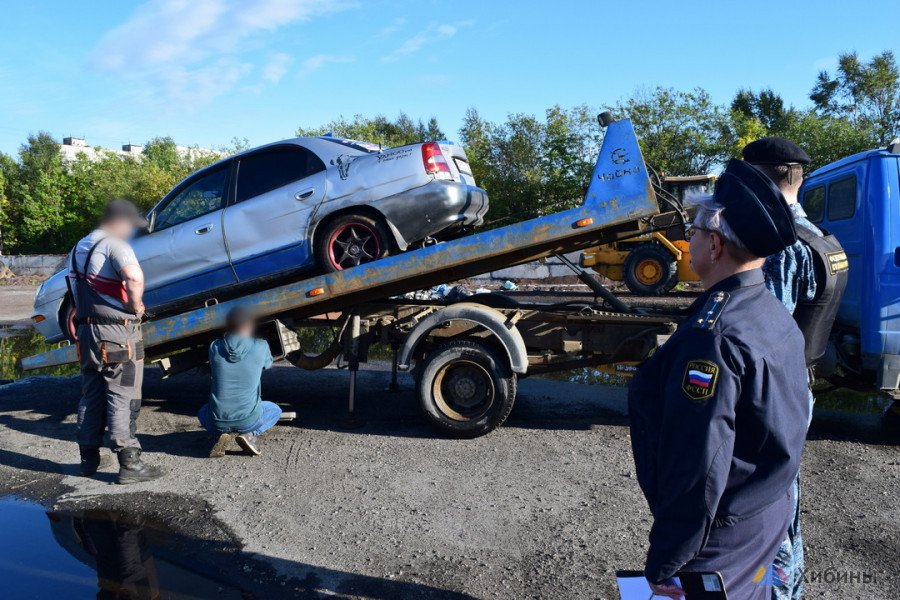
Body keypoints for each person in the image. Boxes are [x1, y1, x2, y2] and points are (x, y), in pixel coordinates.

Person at [628, 159, 811, 600]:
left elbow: (699, 464)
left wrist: (668, 558)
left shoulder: (715, 337)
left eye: (691, 231)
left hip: (720, 536)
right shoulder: (768, 310)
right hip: (766, 513)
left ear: (713, 244)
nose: (686, 239)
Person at [743, 137, 849, 600]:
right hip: (799, 386)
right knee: (787, 494)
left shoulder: (781, 244)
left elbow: (765, 336)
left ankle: (775, 591)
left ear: (758, 179)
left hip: (773, 397)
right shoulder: (823, 238)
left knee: (763, 506)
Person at [69, 199, 164, 485]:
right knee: (122, 394)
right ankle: (129, 463)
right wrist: (137, 306)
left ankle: (88, 461)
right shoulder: (115, 245)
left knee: (92, 392)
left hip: (87, 333)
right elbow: (133, 277)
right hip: (117, 333)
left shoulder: (78, 248)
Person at [198, 306, 281, 457]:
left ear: (227, 326)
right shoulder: (260, 346)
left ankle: (220, 435)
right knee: (275, 410)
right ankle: (250, 434)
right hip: (248, 420)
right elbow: (267, 365)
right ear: (249, 326)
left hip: (218, 421)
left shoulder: (214, 347)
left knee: (203, 411)